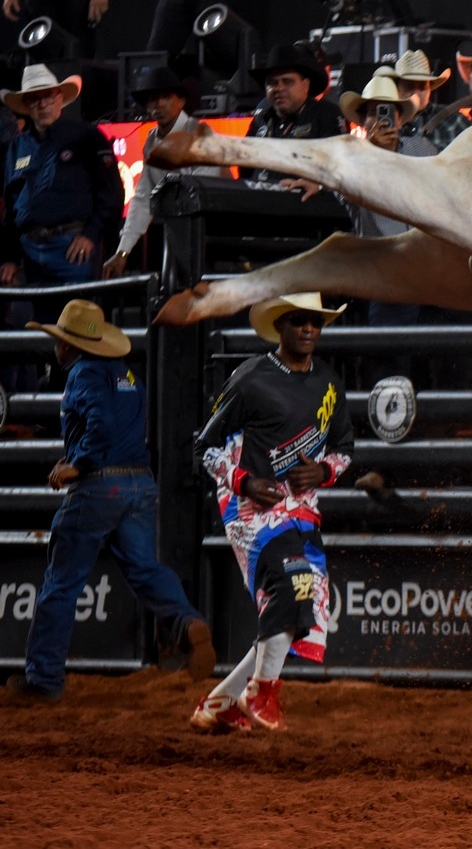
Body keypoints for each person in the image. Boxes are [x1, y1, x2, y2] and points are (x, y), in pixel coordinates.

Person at [2, 300, 214, 704]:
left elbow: (101, 424)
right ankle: (187, 622)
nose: (57, 347)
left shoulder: (82, 373)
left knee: (61, 583)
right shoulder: (127, 374)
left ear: (70, 345)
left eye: (60, 340)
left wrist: (76, 465)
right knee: (146, 569)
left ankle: (43, 680)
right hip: (139, 484)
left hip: (100, 486)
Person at [190, 292, 352, 733]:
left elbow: (344, 451)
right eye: (300, 322)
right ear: (281, 326)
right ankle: (262, 692)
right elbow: (204, 447)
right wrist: (243, 481)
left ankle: (221, 702)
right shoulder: (249, 380)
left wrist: (322, 471)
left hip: (301, 509)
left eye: (315, 323)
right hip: (250, 511)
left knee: (304, 603)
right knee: (293, 585)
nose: (308, 330)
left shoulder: (330, 384)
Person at [0, 65, 122, 325]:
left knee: (80, 326)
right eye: (35, 98)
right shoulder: (17, 147)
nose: (43, 104)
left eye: (48, 97)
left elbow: (111, 193)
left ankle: (84, 367)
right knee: (40, 330)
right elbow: (12, 206)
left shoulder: (86, 136)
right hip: (30, 251)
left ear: (59, 99)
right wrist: (10, 256)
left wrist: (91, 234)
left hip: (72, 248)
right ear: (26, 105)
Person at [102, 66, 228, 278]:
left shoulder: (201, 134)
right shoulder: (152, 140)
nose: (158, 105)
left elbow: (202, 192)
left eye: (165, 97)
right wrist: (123, 251)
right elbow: (143, 197)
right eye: (152, 99)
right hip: (181, 235)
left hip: (215, 238)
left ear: (181, 100)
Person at [341, 71, 435, 353]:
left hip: (431, 270)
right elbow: (343, 191)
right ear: (363, 121)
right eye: (372, 112)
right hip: (386, 271)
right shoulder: (352, 158)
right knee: (392, 355)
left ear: (399, 118)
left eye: (387, 112)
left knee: (434, 354)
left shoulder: (422, 148)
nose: (380, 118)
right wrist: (370, 153)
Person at [244, 43, 347, 191]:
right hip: (256, 202)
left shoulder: (327, 115)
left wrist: (320, 187)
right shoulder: (261, 116)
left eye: (287, 81)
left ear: (305, 85)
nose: (279, 88)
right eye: (272, 83)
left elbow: (343, 170)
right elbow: (245, 167)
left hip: (303, 205)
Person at [388, 49, 468, 151]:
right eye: (409, 85)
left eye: (422, 86)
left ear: (430, 89)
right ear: (397, 88)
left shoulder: (453, 120)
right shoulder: (384, 122)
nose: (416, 92)